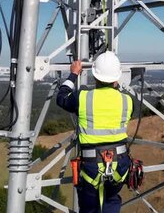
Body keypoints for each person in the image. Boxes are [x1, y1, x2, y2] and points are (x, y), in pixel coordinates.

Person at [56, 51, 133, 213]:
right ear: (117, 77)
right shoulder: (127, 100)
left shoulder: (83, 98)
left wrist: (73, 75)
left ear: (95, 75)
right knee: (111, 200)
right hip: (120, 164)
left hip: (91, 165)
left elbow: (61, 98)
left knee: (90, 208)